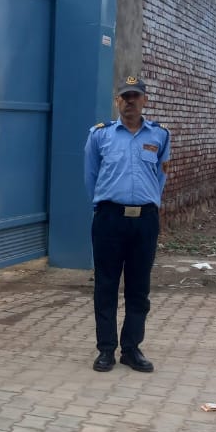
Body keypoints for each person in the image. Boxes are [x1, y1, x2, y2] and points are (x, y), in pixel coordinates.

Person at [83, 76, 171, 374]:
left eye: (135, 96)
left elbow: (161, 174)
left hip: (144, 220)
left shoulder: (159, 135)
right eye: (124, 97)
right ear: (117, 101)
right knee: (106, 285)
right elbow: (91, 176)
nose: (129, 101)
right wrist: (103, 205)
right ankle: (106, 350)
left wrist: (151, 204)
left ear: (145, 100)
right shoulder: (100, 135)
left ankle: (131, 349)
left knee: (138, 287)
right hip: (109, 218)